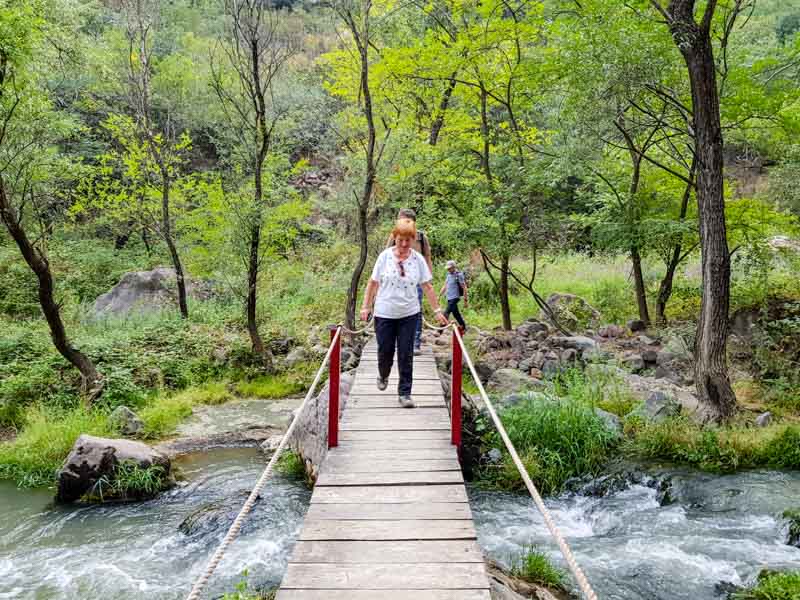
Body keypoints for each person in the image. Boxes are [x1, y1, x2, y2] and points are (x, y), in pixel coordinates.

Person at [362, 218, 448, 408]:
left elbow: (427, 286)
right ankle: (383, 374)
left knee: (406, 353)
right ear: (394, 237)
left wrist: (437, 310)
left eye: (407, 240)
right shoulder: (384, 257)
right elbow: (373, 283)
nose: (403, 244)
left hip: (409, 314)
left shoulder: (417, 260)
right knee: (385, 351)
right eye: (400, 239)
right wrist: (366, 306)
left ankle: (405, 393)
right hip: (384, 312)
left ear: (413, 239)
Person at [386, 208, 433, 355]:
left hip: (416, 280)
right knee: (394, 308)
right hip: (395, 280)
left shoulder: (420, 237)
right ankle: (396, 342)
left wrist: (428, 279)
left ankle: (415, 343)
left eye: (404, 220)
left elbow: (427, 257)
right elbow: (386, 255)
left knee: (416, 311)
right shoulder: (394, 235)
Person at [439, 259, 468, 331]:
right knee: (456, 314)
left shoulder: (459, 275)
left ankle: (440, 330)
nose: (448, 269)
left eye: (449, 268)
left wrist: (465, 300)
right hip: (449, 297)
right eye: (447, 268)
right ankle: (463, 327)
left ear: (453, 267)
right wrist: (439, 295)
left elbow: (464, 287)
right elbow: (445, 286)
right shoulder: (448, 275)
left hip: (455, 297)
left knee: (446, 312)